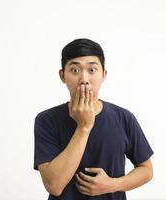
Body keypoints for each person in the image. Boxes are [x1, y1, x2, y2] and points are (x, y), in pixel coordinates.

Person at [33, 38, 154, 200]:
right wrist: (84, 127)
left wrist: (113, 184)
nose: (84, 79)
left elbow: (146, 169)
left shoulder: (124, 117)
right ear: (62, 75)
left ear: (103, 74)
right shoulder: (47, 120)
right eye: (74, 70)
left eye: (92, 70)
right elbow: (54, 185)